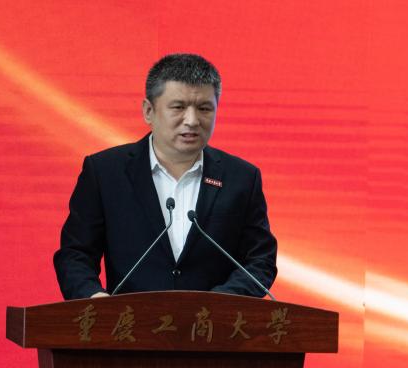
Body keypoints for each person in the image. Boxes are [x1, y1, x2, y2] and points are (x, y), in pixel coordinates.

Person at [54, 53, 277, 300]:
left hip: (212, 322)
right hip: (128, 321)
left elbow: (260, 260)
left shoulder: (241, 178)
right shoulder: (105, 172)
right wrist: (93, 299)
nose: (192, 120)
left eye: (204, 108)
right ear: (148, 111)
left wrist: (220, 302)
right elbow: (75, 254)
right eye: (178, 107)